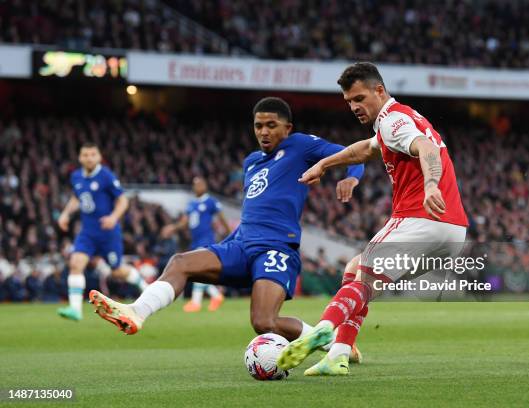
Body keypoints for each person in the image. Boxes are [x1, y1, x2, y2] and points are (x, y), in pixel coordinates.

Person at [89, 97, 365, 354]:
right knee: (180, 262)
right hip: (241, 245)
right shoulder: (252, 162)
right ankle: (136, 311)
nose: (264, 132)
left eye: (271, 125)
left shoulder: (300, 145)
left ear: (287, 127)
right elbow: (251, 213)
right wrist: (231, 240)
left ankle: (332, 344)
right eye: (258, 126)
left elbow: (354, 153)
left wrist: (351, 178)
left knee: (264, 323)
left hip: (275, 249)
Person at [278, 62, 468, 375]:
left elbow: (426, 149)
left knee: (358, 275)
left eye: (360, 98)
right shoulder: (401, 119)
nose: (354, 106)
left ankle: (324, 329)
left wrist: (431, 184)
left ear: (379, 90)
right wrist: (324, 165)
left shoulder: (393, 120)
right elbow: (365, 150)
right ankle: (338, 355)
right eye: (349, 102)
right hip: (452, 233)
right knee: (358, 276)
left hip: (419, 220)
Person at [57, 143, 147, 321]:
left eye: (92, 154)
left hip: (108, 233)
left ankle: (146, 287)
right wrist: (65, 214)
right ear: (80, 157)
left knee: (117, 271)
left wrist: (113, 217)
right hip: (88, 232)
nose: (89, 158)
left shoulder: (106, 175)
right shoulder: (76, 176)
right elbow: (77, 197)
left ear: (98, 157)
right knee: (76, 263)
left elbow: (122, 201)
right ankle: (75, 310)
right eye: (85, 155)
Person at [161, 176, 230, 312]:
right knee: (198, 271)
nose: (196, 187)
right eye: (194, 184)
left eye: (199, 184)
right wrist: (173, 228)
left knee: (197, 268)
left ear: (205, 185)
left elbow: (221, 217)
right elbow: (184, 222)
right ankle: (216, 296)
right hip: (195, 240)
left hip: (206, 240)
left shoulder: (210, 201)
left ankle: (196, 302)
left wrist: (230, 233)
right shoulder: (191, 204)